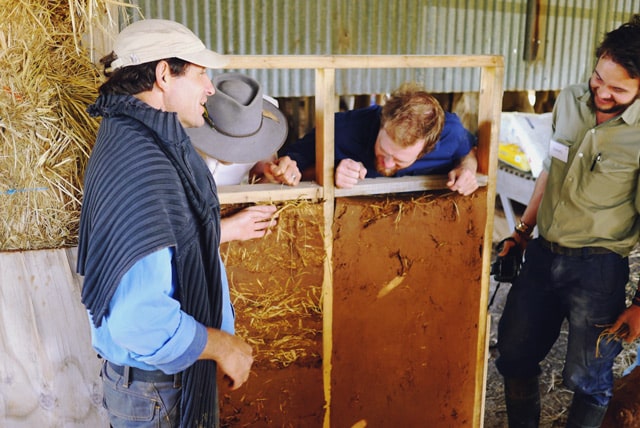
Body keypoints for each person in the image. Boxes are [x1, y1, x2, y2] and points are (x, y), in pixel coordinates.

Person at [76, 19, 253, 427]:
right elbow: (138, 319)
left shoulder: (136, 138)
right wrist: (222, 346)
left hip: (159, 388)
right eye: (201, 73)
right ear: (162, 75)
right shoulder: (142, 162)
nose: (210, 87)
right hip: (158, 394)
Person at [495, 15, 640, 427]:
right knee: (515, 354)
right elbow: (548, 171)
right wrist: (522, 232)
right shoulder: (570, 100)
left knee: (588, 377)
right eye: (599, 78)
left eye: (618, 89)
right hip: (542, 254)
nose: (602, 93)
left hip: (598, 268)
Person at [273, 81, 479, 195]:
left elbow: (468, 153)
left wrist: (467, 169)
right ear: (382, 121)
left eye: (400, 160)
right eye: (384, 149)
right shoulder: (339, 129)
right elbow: (284, 170)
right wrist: (328, 172)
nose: (387, 163)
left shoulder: (452, 132)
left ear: (427, 148)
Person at [186, 72, 301, 243]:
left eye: (245, 140)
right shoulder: (181, 140)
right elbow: (165, 233)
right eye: (229, 138)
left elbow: (260, 179)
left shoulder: (259, 136)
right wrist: (227, 229)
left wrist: (274, 178)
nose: (236, 152)